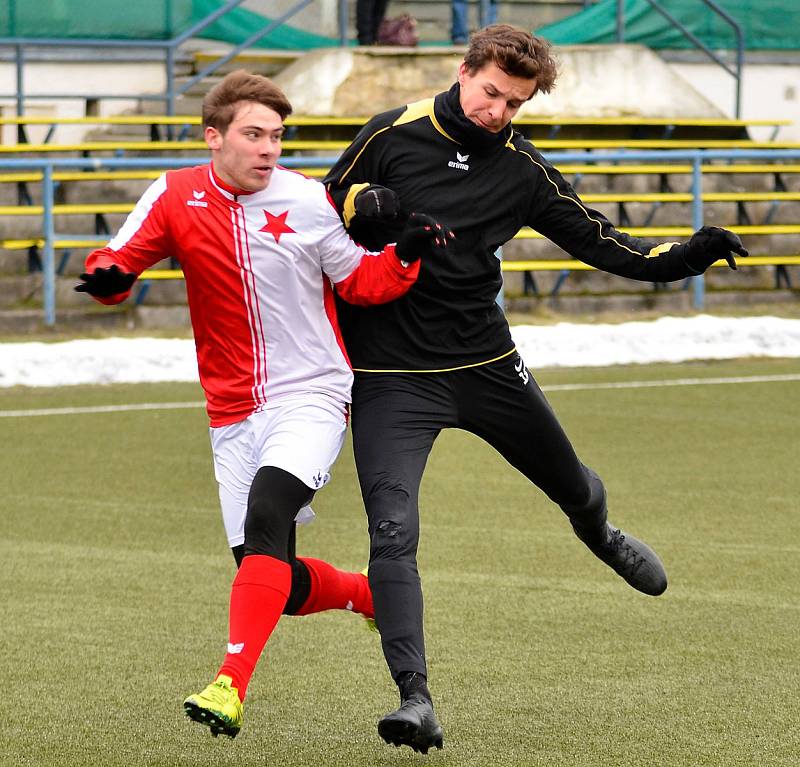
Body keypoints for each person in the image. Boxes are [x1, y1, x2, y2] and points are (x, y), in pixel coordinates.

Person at [324, 24, 748, 754]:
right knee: (393, 532)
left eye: (514, 104)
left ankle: (601, 534)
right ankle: (414, 697)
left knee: (573, 486)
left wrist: (688, 257)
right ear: (463, 72)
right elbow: (327, 208)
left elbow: (603, 244)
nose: (497, 112)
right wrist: (372, 208)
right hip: (391, 374)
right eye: (491, 93)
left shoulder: (524, 170)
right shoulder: (390, 132)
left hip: (487, 364)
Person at [75, 69, 451, 740]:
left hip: (312, 392)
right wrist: (109, 276)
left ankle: (229, 685)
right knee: (275, 576)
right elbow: (120, 259)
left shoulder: (307, 201)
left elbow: (361, 282)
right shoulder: (175, 194)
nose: (269, 149)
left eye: (277, 136)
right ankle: (363, 592)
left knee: (269, 512)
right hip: (230, 411)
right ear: (213, 136)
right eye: (254, 135)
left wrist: (406, 254)